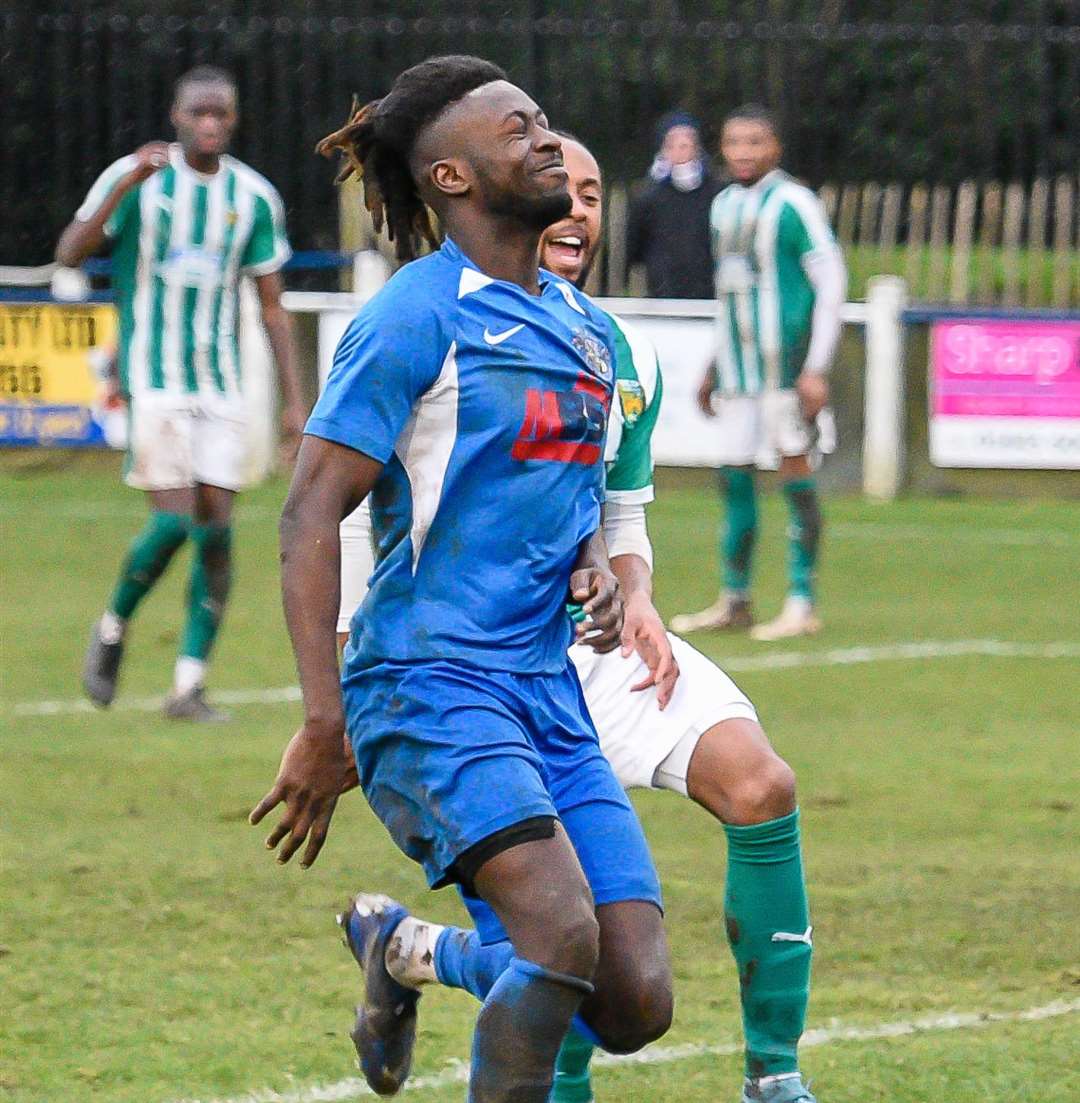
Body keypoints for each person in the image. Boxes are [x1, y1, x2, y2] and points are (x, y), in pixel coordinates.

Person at [337, 133, 818, 1103]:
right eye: (560, 186)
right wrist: (350, 667)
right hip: (467, 663)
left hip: (593, 646)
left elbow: (623, 510)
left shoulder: (616, 346)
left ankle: (775, 1073)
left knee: (760, 782)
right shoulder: (433, 323)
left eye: (595, 192)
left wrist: (635, 593)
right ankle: (421, 957)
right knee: (564, 940)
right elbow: (349, 507)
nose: (578, 207)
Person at [248, 57, 672, 1103]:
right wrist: (322, 715)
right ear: (450, 177)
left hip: (546, 694)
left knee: (632, 998)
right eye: (517, 130)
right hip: (426, 683)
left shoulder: (581, 329)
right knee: (559, 929)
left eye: (542, 122)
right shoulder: (414, 317)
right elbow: (308, 512)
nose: (546, 144)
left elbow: (568, 511)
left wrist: (599, 578)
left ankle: (403, 946)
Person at [58, 65, 305, 720]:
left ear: (233, 119)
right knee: (172, 521)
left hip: (221, 385)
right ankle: (112, 626)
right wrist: (124, 190)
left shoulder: (252, 197)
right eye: (199, 112)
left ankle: (188, 684)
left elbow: (273, 308)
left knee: (218, 533)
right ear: (176, 115)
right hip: (154, 378)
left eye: (221, 113)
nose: (211, 124)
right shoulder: (134, 177)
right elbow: (70, 253)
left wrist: (293, 403)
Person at [671, 105, 846, 641]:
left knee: (795, 473)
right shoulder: (722, 205)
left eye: (755, 142)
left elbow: (832, 279)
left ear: (775, 148)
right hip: (739, 376)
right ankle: (736, 598)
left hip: (784, 372)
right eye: (734, 142)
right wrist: (713, 365)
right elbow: (730, 292)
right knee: (733, 477)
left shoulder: (795, 203)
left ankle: (802, 598)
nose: (743, 152)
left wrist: (816, 366)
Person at [625, 112, 721, 299]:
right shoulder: (648, 197)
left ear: (697, 147)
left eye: (685, 145)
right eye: (672, 145)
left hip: (709, 294)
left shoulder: (717, 193)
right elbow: (635, 246)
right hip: (663, 292)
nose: (679, 151)